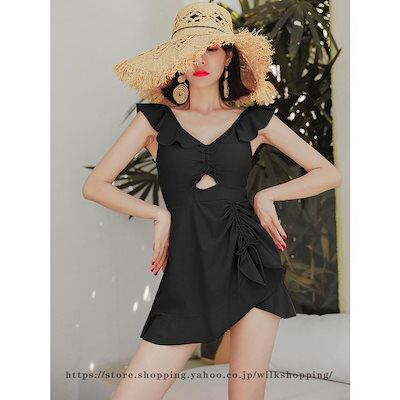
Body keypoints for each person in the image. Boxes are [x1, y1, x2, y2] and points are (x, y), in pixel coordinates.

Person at [82, 2, 342, 399]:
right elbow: (96, 185)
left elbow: (328, 173)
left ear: (229, 56)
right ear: (176, 60)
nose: (200, 59)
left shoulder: (255, 120)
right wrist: (159, 215)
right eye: (190, 50)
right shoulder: (155, 120)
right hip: (188, 268)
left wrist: (267, 195)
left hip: (250, 264)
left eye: (212, 48)